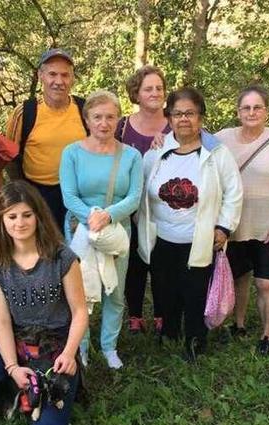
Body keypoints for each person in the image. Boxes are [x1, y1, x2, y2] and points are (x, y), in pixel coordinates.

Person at [0, 181, 88, 425]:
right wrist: (12, 366)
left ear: (39, 215)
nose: (20, 223)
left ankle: (51, 386)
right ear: (1, 220)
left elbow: (80, 311)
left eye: (27, 215)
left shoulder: (62, 257)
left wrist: (70, 354)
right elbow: (1, 320)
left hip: (56, 343)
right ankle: (14, 382)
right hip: (17, 340)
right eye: (11, 216)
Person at [136, 87, 243, 362]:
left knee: (195, 290)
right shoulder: (157, 152)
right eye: (178, 114)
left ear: (201, 118)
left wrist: (224, 227)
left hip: (200, 237)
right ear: (169, 118)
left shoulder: (216, 154)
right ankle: (169, 331)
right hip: (162, 237)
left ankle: (195, 339)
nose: (184, 119)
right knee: (165, 288)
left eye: (191, 113)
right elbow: (141, 191)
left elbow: (233, 192)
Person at [60, 90, 143, 369]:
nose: (103, 123)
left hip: (117, 231)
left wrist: (107, 216)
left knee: (115, 292)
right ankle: (81, 346)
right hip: (80, 230)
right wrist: (91, 216)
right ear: (87, 120)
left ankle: (109, 346)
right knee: (80, 290)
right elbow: (69, 195)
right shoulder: (71, 153)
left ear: (119, 120)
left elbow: (134, 197)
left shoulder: (131, 156)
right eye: (97, 117)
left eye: (110, 117)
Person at [214, 85, 269, 355]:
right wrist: (160, 141)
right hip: (233, 223)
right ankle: (238, 324)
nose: (251, 112)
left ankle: (267, 335)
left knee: (265, 282)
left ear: (266, 111)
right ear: (238, 112)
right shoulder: (222, 138)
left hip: (267, 226)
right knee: (239, 277)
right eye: (246, 107)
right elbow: (187, 139)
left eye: (257, 107)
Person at [4, 48, 88, 231]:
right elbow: (8, 156)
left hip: (79, 194)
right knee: (43, 250)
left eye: (65, 75)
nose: (59, 81)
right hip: (38, 194)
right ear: (41, 75)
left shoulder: (85, 110)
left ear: (72, 78)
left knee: (75, 250)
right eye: (52, 74)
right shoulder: (25, 113)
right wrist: (22, 192)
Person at [117, 66, 170, 336]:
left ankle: (162, 313)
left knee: (160, 262)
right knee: (134, 263)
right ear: (136, 93)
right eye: (148, 88)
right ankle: (135, 315)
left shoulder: (176, 124)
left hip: (166, 209)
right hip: (130, 207)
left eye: (159, 88)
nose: (155, 93)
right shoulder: (122, 126)